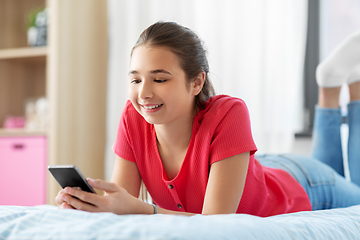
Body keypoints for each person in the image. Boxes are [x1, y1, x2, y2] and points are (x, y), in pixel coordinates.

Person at [55, 22, 360, 217]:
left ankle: (340, 88)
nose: (143, 93)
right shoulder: (133, 117)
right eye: (135, 80)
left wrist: (145, 210)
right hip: (253, 169)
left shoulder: (229, 112)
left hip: (301, 181)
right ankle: (333, 87)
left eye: (159, 79)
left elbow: (216, 225)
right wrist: (93, 206)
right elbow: (122, 203)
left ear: (196, 83)